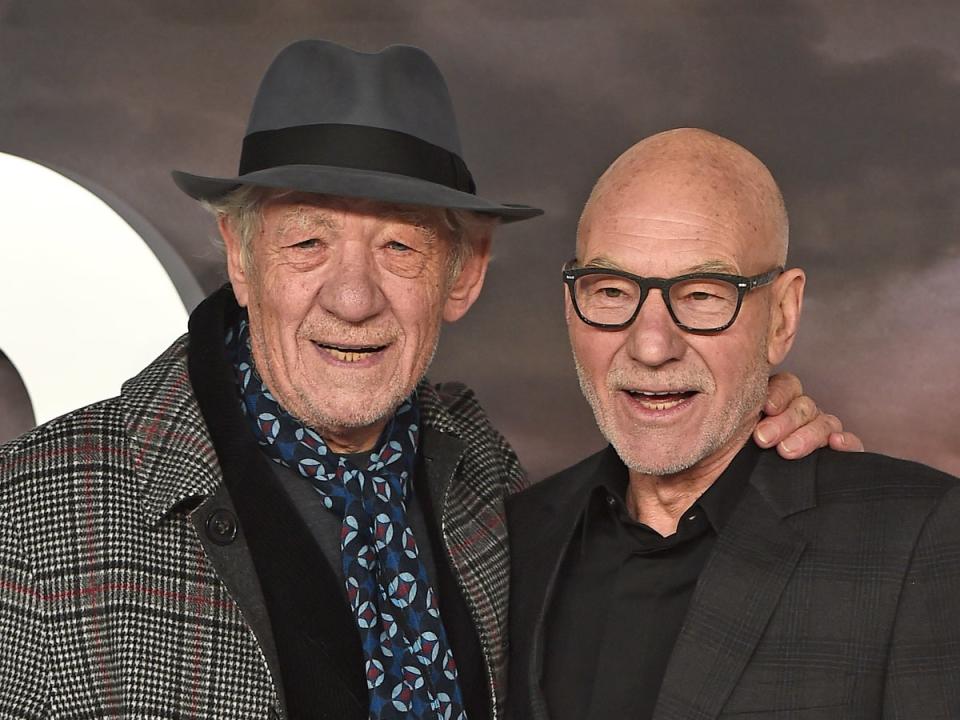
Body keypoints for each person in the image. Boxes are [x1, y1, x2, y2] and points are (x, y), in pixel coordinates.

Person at [0, 42, 853, 720]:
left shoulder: (492, 489)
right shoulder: (35, 519)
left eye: (400, 248)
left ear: (464, 274)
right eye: (307, 243)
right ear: (241, 258)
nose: (354, 296)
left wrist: (751, 455)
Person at [506, 128, 960, 720]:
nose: (650, 345)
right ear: (571, 305)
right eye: (613, 290)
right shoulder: (507, 541)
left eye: (702, 294)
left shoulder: (919, 540)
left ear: (782, 316)